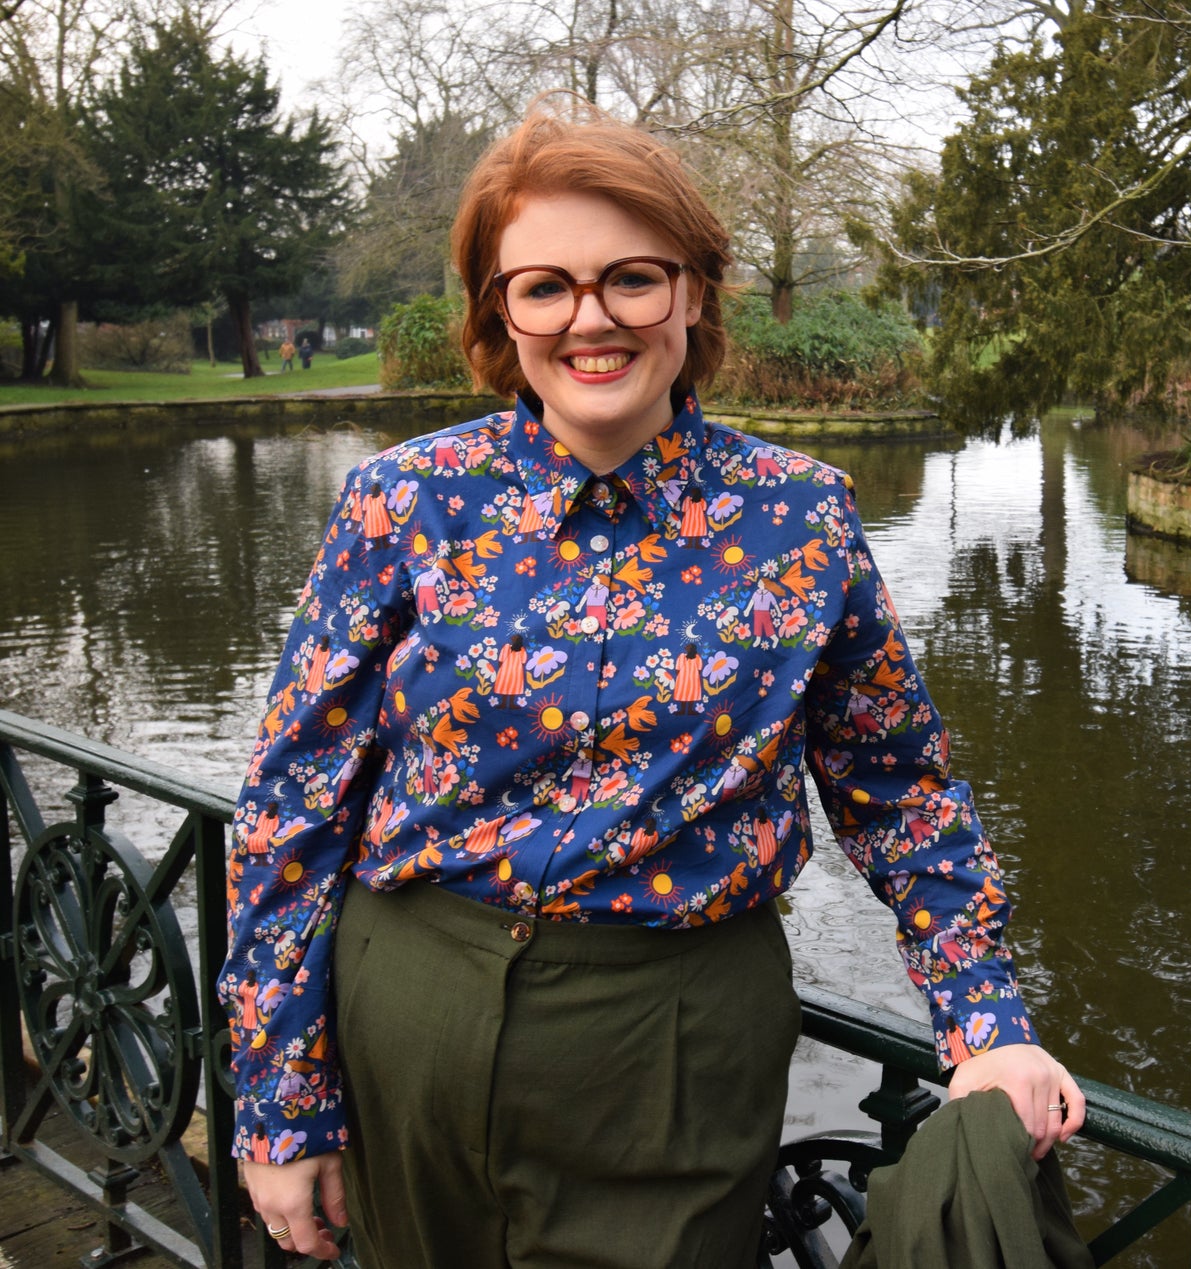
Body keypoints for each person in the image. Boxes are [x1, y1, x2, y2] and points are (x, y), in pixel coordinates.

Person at [220, 101, 1083, 1269]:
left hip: (676, 1040)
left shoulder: (801, 517)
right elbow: (295, 804)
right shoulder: (403, 501)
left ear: (692, 292)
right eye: (544, 287)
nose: (591, 319)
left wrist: (986, 1021)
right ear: (499, 311)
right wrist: (280, 1100)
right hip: (411, 1008)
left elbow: (896, 786)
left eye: (631, 277)